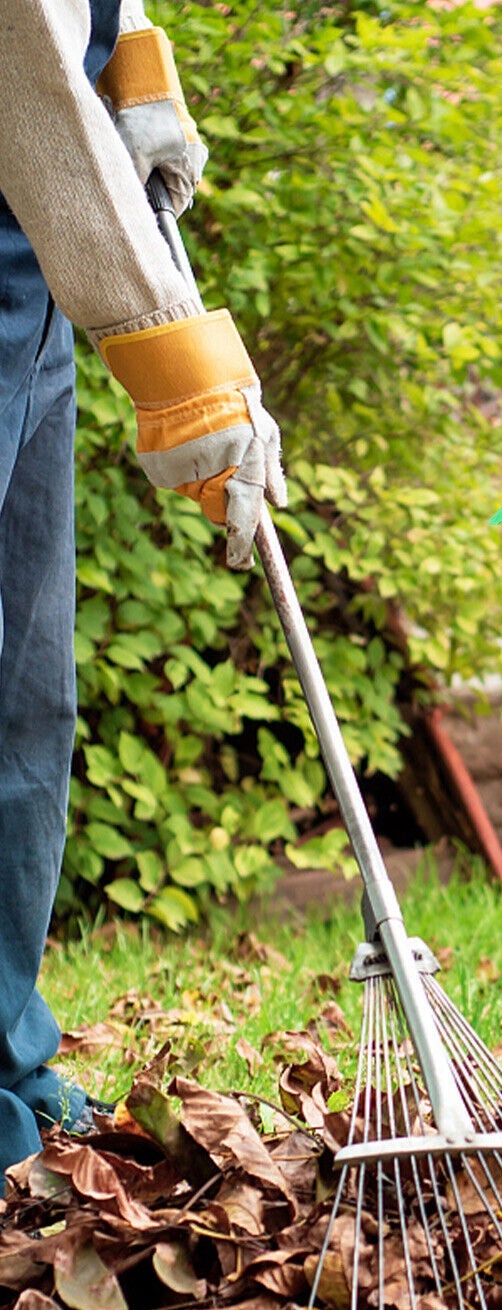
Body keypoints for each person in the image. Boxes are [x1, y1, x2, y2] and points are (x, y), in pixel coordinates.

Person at [0, 0, 285, 1171]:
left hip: (26, 280)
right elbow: (19, 64)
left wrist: (134, 62)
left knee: (23, 699)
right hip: (30, 208)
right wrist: (177, 359)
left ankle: (5, 1064)